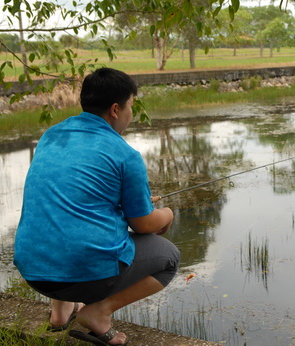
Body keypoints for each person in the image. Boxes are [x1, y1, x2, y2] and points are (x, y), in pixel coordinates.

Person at [13, 67, 179, 346]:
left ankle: (60, 312)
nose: (131, 114)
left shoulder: (52, 135)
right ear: (116, 109)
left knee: (62, 218)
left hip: (33, 270)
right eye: (130, 107)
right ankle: (98, 313)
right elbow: (145, 224)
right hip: (82, 276)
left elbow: (71, 200)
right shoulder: (124, 154)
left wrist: (121, 201)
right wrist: (168, 213)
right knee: (169, 257)